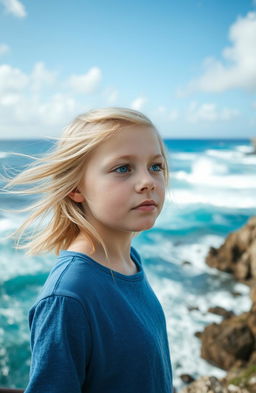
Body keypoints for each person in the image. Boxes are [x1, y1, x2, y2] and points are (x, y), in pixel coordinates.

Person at [4, 107, 173, 393]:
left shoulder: (130, 260)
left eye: (155, 166)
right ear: (76, 187)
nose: (148, 182)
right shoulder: (68, 296)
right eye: (123, 168)